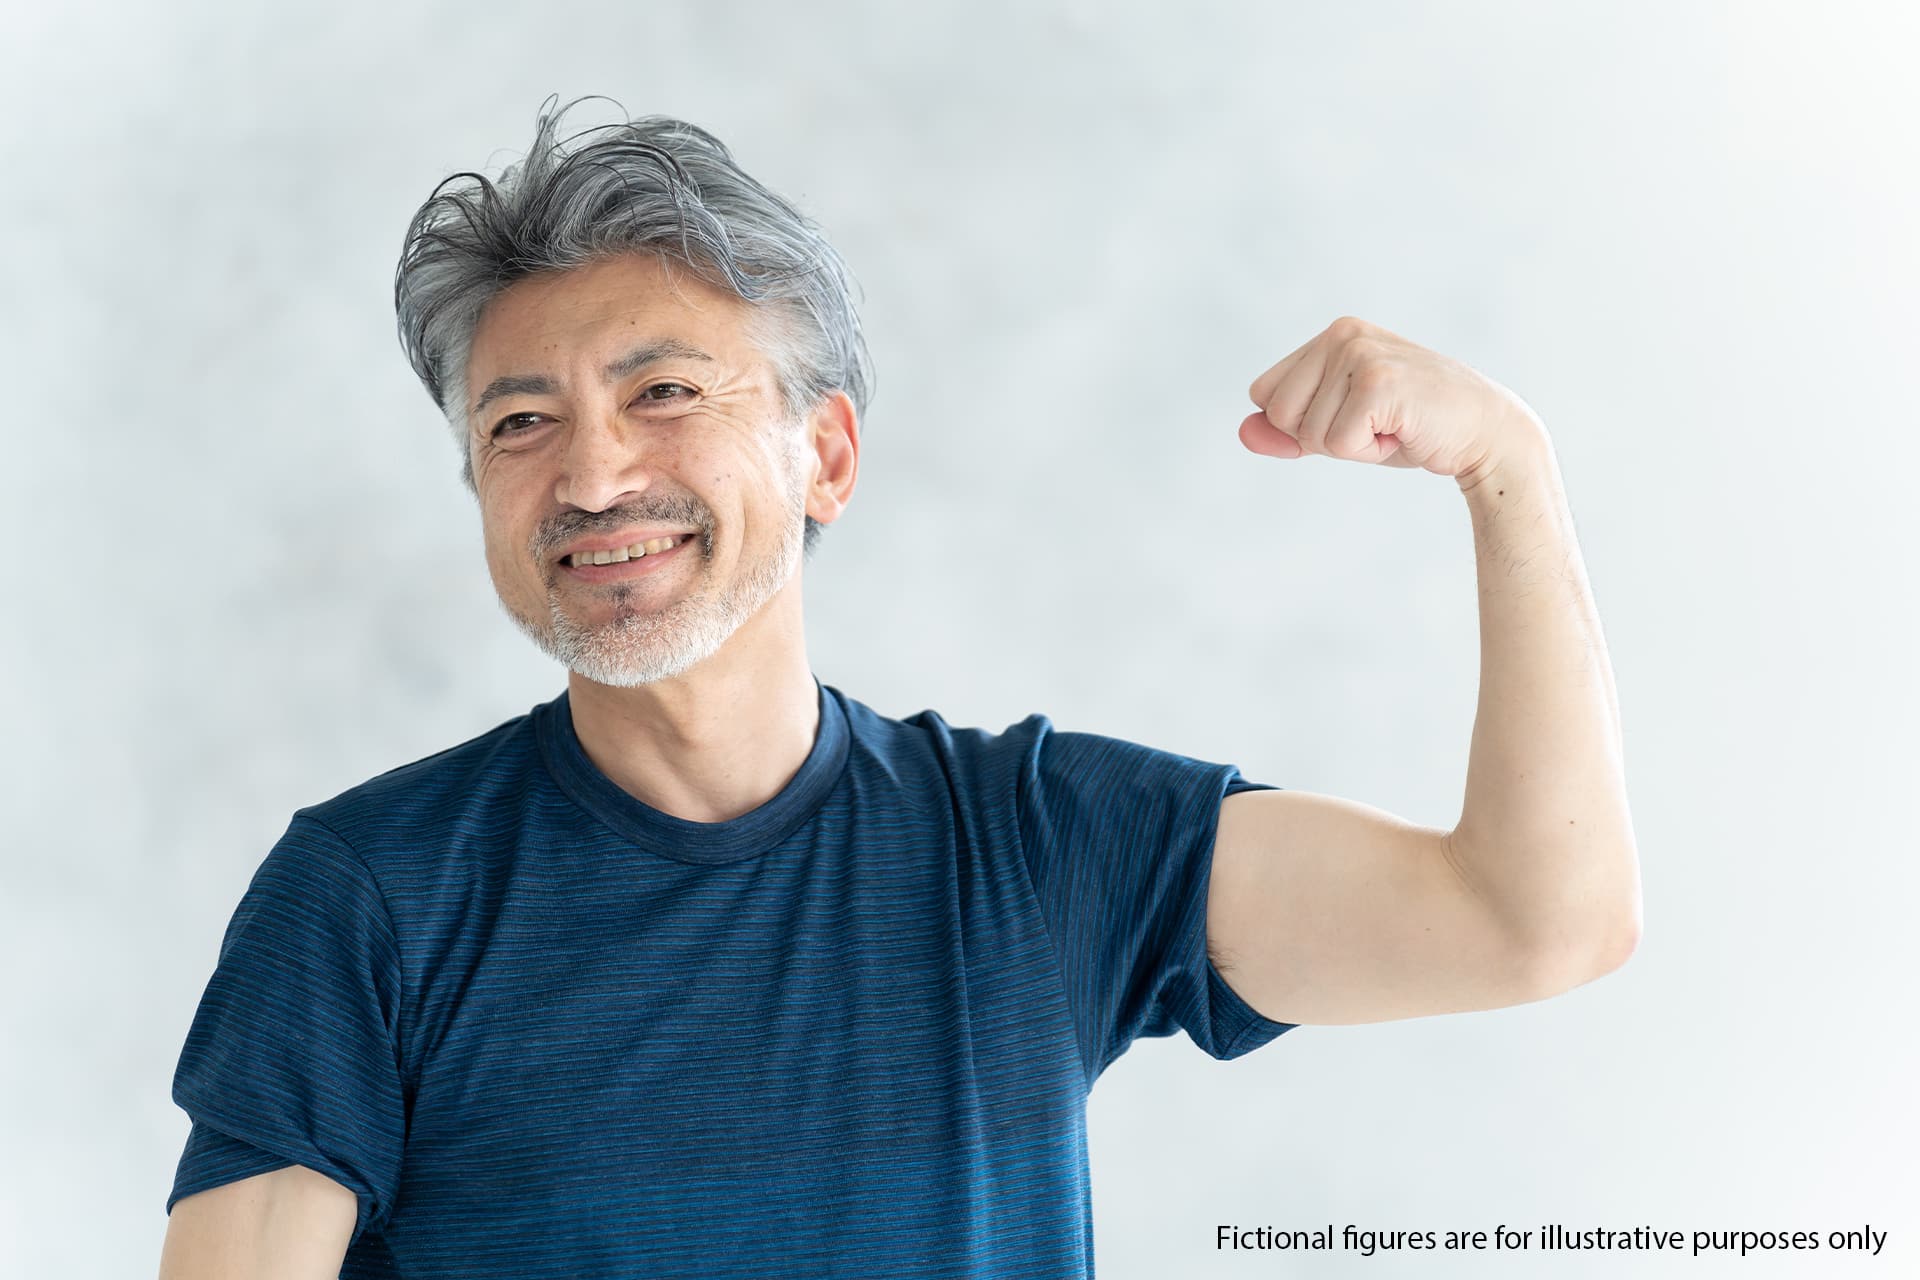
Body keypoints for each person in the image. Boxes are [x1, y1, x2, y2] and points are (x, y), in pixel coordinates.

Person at [157, 95, 1641, 1279]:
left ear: (827, 456)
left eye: (663, 392)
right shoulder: (370, 899)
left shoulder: (1038, 846)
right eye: (521, 422)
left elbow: (1537, 922)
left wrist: (1506, 469)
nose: (593, 475)